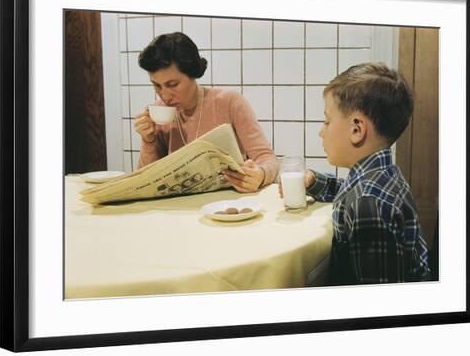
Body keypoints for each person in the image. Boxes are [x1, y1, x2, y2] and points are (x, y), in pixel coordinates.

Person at [282, 62, 431, 285]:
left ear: (357, 129)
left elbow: (378, 304)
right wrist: (314, 181)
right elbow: (349, 189)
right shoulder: (379, 174)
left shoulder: (368, 206)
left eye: (327, 121)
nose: (321, 132)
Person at [134, 32, 277, 193]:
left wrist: (261, 175)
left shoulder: (229, 101)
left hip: (229, 203)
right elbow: (144, 183)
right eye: (157, 86)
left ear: (193, 74)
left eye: (172, 84)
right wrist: (148, 140)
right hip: (180, 209)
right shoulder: (158, 113)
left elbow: (266, 157)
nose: (165, 96)